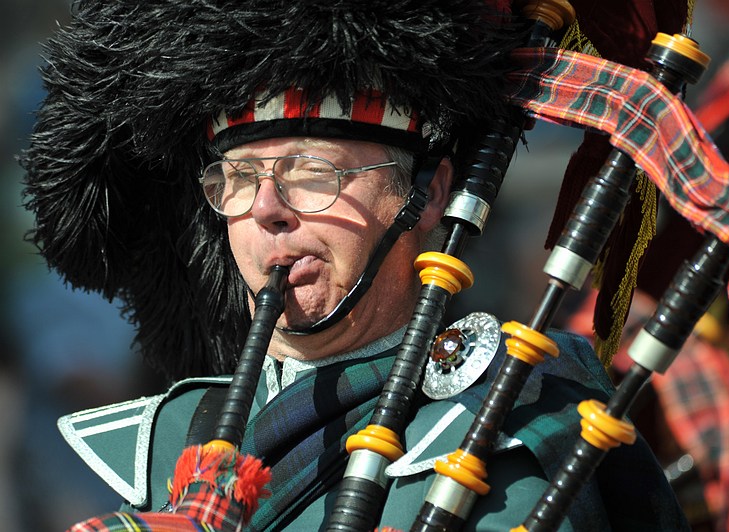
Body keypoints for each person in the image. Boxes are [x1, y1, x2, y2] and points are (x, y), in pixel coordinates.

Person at [21, 0, 692, 530]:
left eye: (311, 173)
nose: (267, 210)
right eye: (237, 177)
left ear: (428, 194)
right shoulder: (161, 446)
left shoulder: (516, 435)